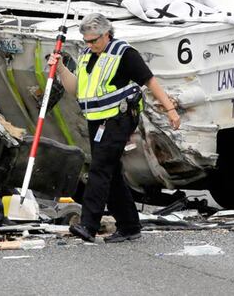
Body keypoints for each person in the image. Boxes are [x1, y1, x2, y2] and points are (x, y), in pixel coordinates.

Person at [47, 13, 180, 243]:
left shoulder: (124, 53)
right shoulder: (88, 56)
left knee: (99, 169)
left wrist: (170, 109)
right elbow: (77, 89)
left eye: (94, 40)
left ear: (107, 34)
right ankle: (129, 225)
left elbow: (149, 80)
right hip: (97, 120)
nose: (90, 45)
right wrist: (60, 69)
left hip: (120, 117)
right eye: (86, 41)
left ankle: (88, 224)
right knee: (110, 173)